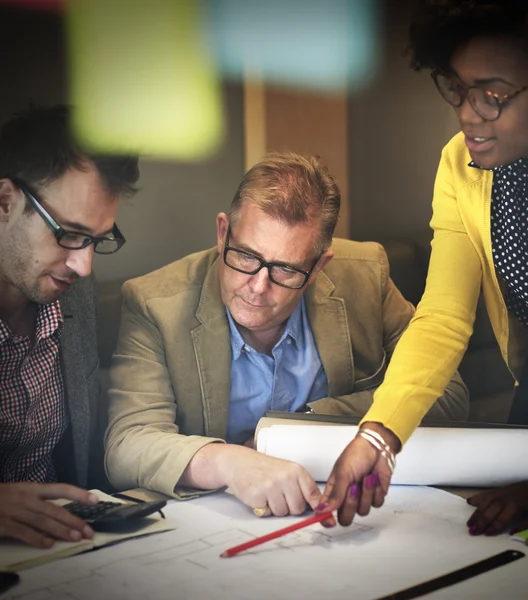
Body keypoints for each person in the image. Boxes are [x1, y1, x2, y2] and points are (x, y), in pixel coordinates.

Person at [320, 0, 528, 534]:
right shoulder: (461, 165)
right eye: (458, 88)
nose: (468, 113)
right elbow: (444, 316)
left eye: (493, 95)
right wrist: (379, 434)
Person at [105, 152, 468, 516]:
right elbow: (127, 445)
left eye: (285, 270)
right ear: (222, 234)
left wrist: (292, 430)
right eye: (246, 256)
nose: (258, 287)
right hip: (218, 518)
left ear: (318, 266)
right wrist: (231, 463)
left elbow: (449, 394)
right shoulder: (154, 304)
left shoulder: (366, 276)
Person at [0, 105, 139, 547]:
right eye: (69, 232)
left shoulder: (71, 291)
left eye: (97, 239)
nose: (83, 264)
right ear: (5, 201)